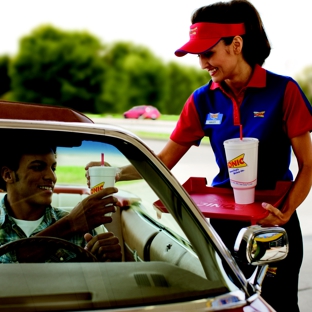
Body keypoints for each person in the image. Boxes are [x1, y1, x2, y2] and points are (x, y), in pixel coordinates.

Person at [86, 0, 312, 310]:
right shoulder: (201, 100)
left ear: (236, 44)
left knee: (277, 303)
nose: (203, 64)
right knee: (228, 303)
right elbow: (162, 162)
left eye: (208, 53)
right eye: (198, 56)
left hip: (273, 221)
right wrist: (113, 170)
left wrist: (286, 211)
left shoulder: (284, 90)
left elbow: (309, 165)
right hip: (222, 223)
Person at [0, 142, 122, 263]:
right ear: (7, 175)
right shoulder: (76, 222)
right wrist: (69, 224)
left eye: (53, 168)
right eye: (37, 167)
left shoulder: (82, 227)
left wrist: (106, 261)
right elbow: (10, 260)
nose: (51, 177)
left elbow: (94, 279)